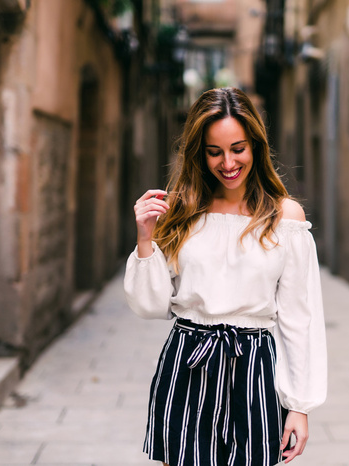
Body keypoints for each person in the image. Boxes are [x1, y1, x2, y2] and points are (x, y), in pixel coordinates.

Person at [123, 87, 327, 466]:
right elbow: (151, 306)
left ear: (256, 146)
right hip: (187, 363)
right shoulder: (181, 210)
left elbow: (301, 317)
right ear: (199, 153)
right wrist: (146, 237)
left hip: (254, 368)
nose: (228, 162)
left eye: (238, 148)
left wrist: (300, 405)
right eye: (214, 151)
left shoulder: (286, 218)